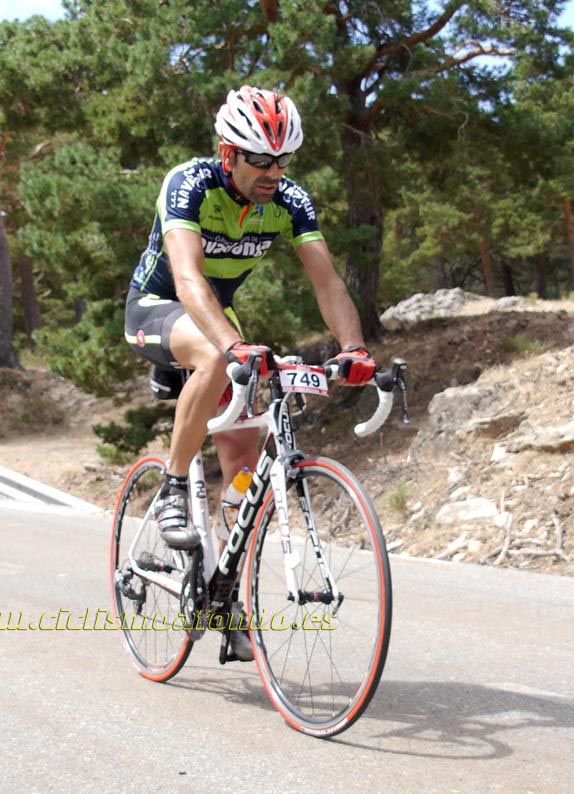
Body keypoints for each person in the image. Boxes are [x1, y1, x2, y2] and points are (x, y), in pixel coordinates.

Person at [124, 87, 378, 657]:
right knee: (217, 357)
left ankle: (226, 597)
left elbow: (327, 280)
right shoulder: (190, 183)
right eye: (260, 159)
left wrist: (353, 347)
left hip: (218, 317)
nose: (274, 171)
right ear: (228, 153)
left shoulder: (289, 200)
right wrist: (232, 344)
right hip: (161, 307)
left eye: (284, 159)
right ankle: (170, 486)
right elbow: (187, 278)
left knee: (243, 469)